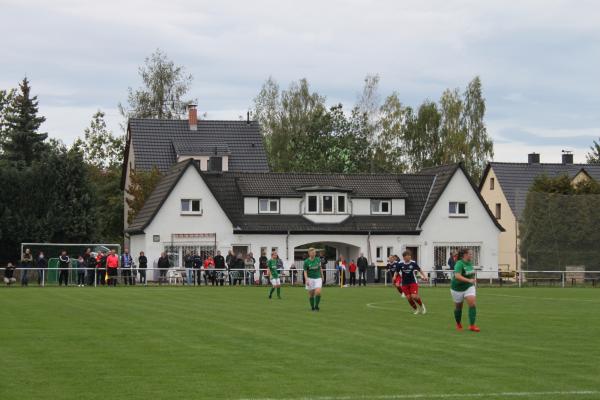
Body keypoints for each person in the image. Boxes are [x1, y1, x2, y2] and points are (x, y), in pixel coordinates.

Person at [450, 248, 480, 332]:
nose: (472, 255)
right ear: (465, 255)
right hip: (457, 288)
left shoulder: (469, 263)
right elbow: (457, 276)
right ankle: (458, 323)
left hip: (468, 287)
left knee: (472, 304)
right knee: (458, 307)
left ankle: (472, 326)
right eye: (470, 254)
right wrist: (469, 280)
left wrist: (472, 280)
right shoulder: (459, 264)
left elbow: (470, 274)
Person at [393, 250, 428, 315]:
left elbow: (419, 270)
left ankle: (422, 306)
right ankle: (416, 309)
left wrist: (424, 276)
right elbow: (396, 271)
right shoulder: (400, 264)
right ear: (404, 257)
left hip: (413, 282)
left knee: (414, 296)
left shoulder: (413, 263)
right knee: (409, 298)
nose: (409, 257)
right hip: (404, 283)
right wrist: (394, 276)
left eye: (410, 256)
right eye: (408, 256)